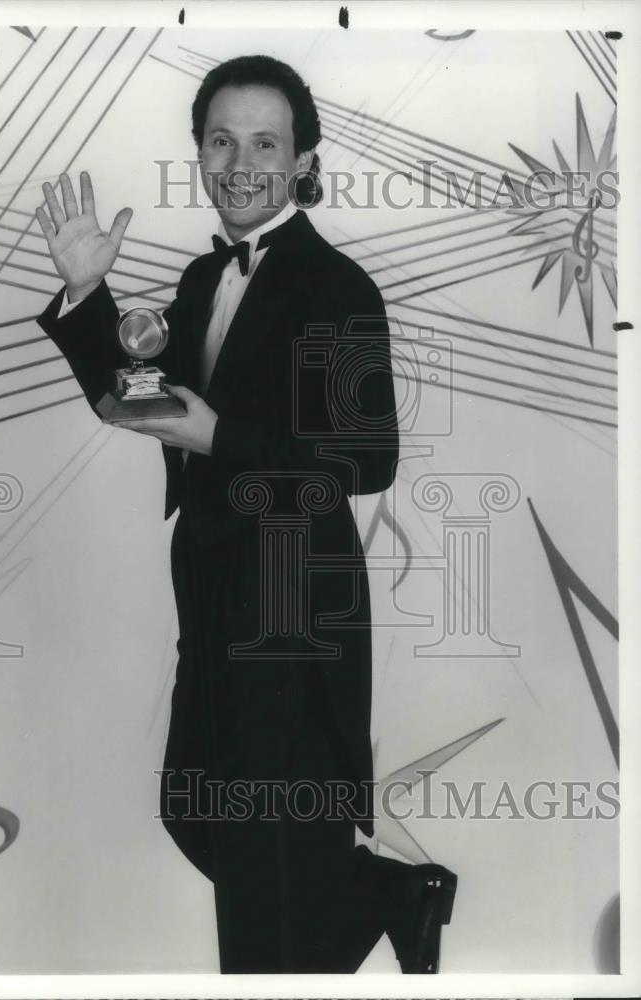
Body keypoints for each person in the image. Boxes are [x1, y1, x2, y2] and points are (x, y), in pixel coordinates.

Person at [35, 54, 457, 974]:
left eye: (266, 142)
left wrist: (224, 433)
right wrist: (85, 297)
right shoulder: (199, 280)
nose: (241, 161)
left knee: (267, 889)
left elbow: (366, 455)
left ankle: (348, 914)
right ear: (199, 151)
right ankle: (386, 893)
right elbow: (146, 400)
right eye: (221, 140)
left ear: (302, 158)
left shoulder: (337, 288)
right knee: (198, 810)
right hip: (215, 594)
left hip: (295, 608)